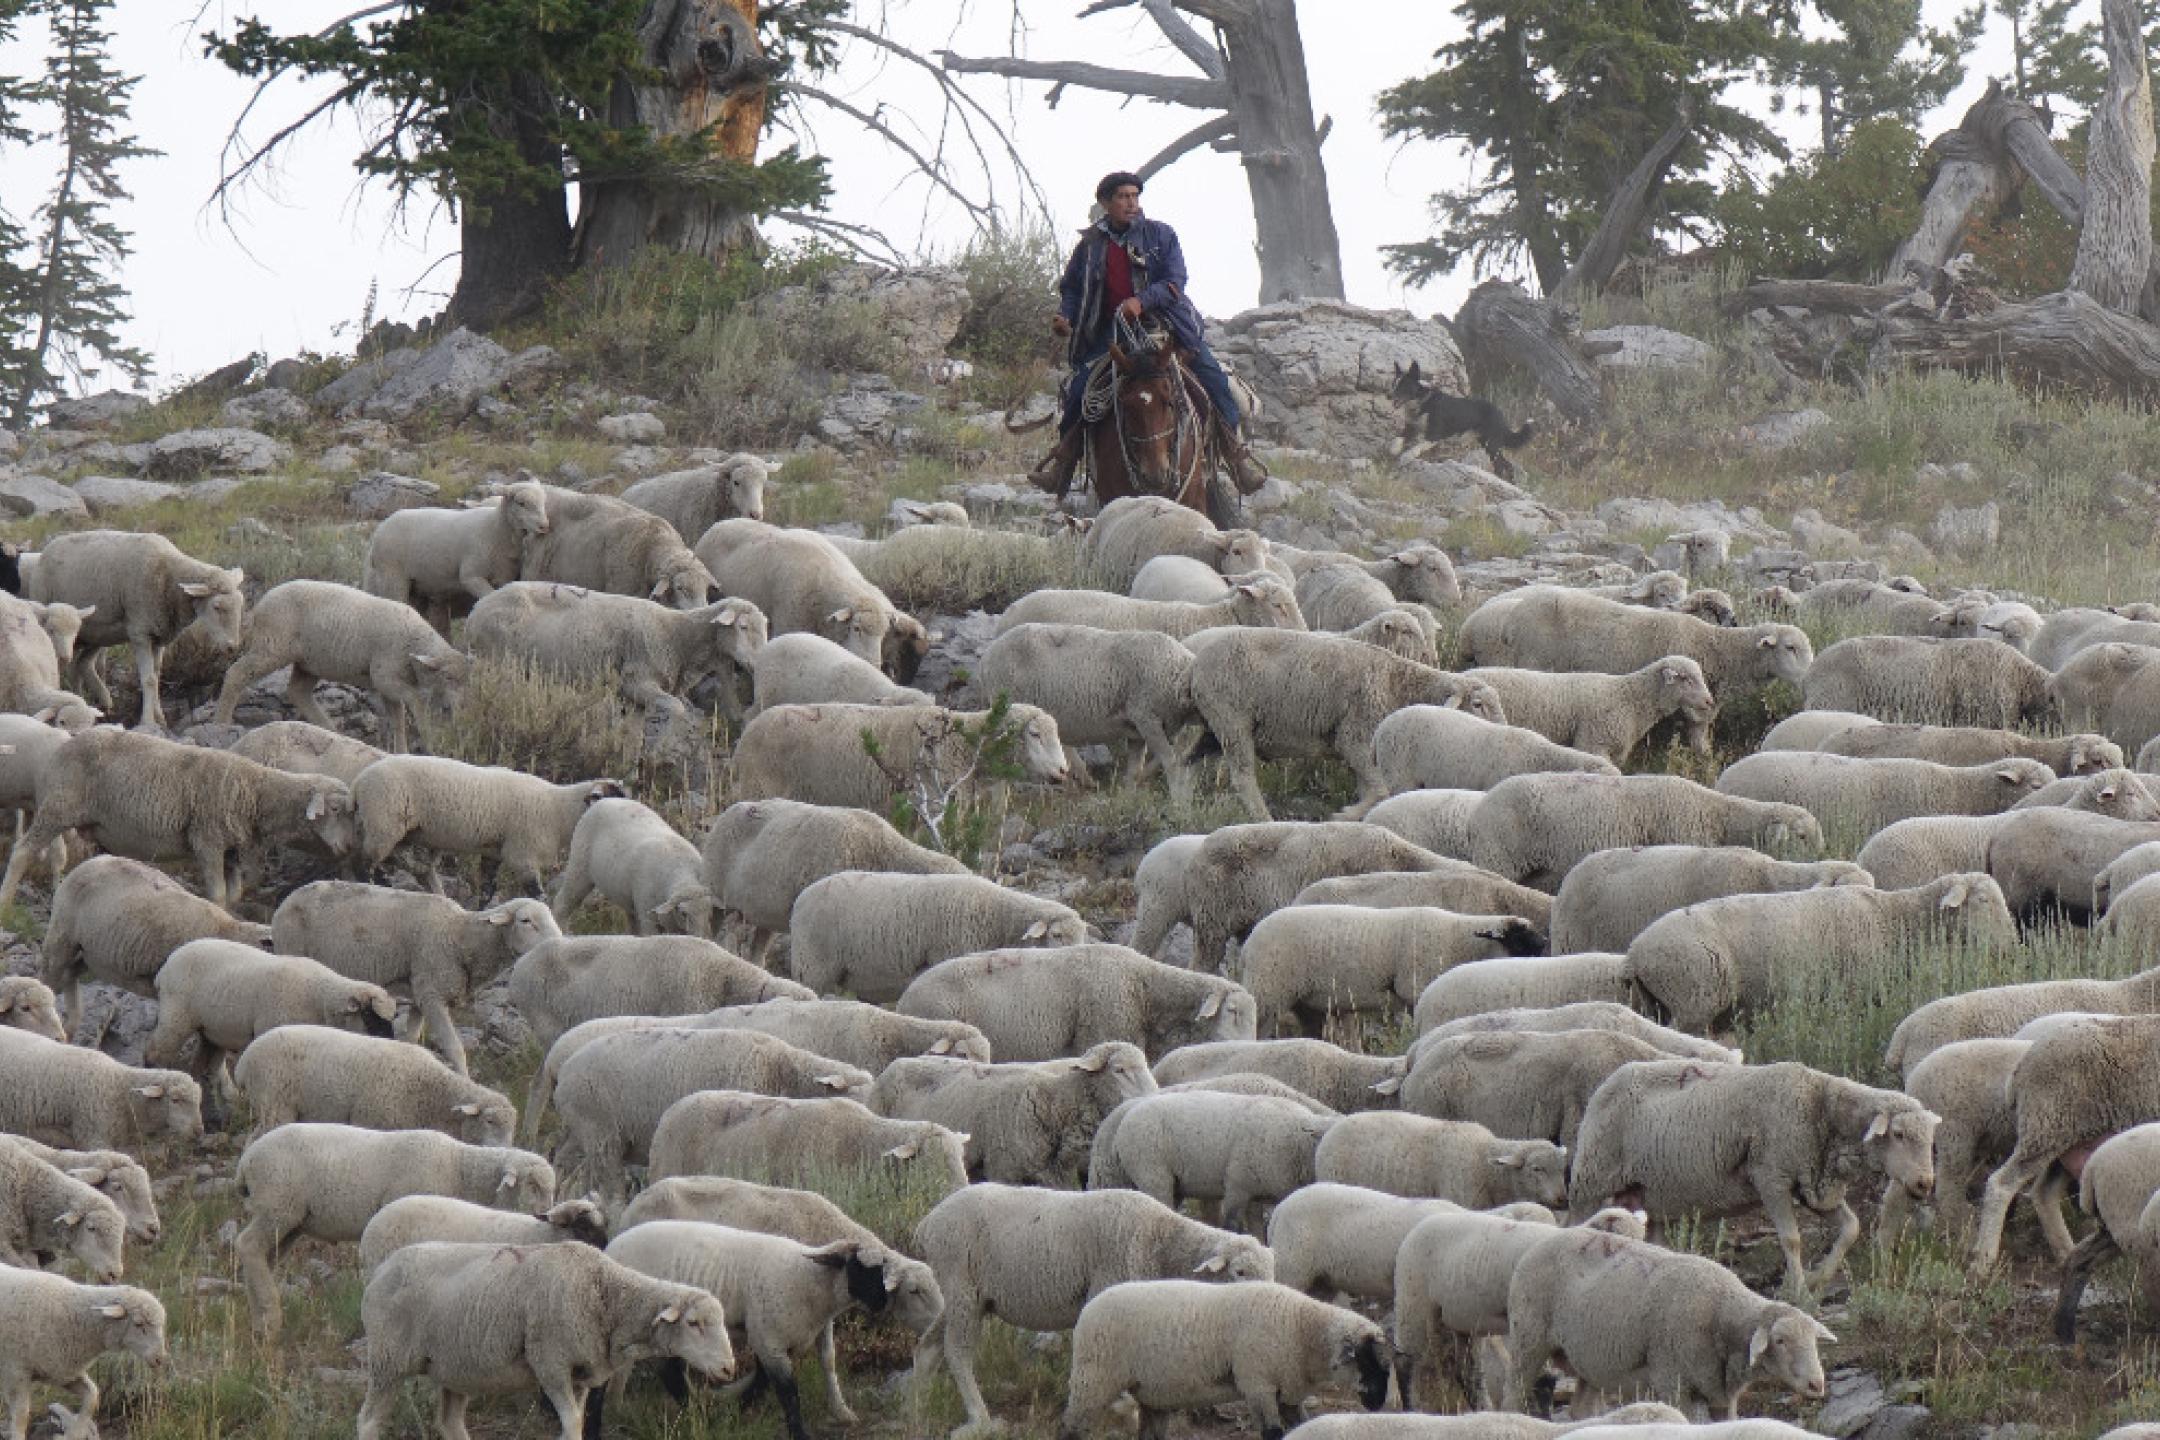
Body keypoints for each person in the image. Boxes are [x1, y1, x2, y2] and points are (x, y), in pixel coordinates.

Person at [1029, 171, 1266, 498]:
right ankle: (1063, 466)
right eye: (1123, 197)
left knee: (1214, 382)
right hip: (1110, 333)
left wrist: (1141, 302)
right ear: (1105, 203)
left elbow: (1174, 281)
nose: (1131, 203)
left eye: (1134, 196)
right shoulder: (1090, 245)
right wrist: (1065, 316)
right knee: (1081, 393)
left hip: (1166, 326)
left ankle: (1236, 458)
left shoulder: (1161, 235)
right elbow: (1071, 288)